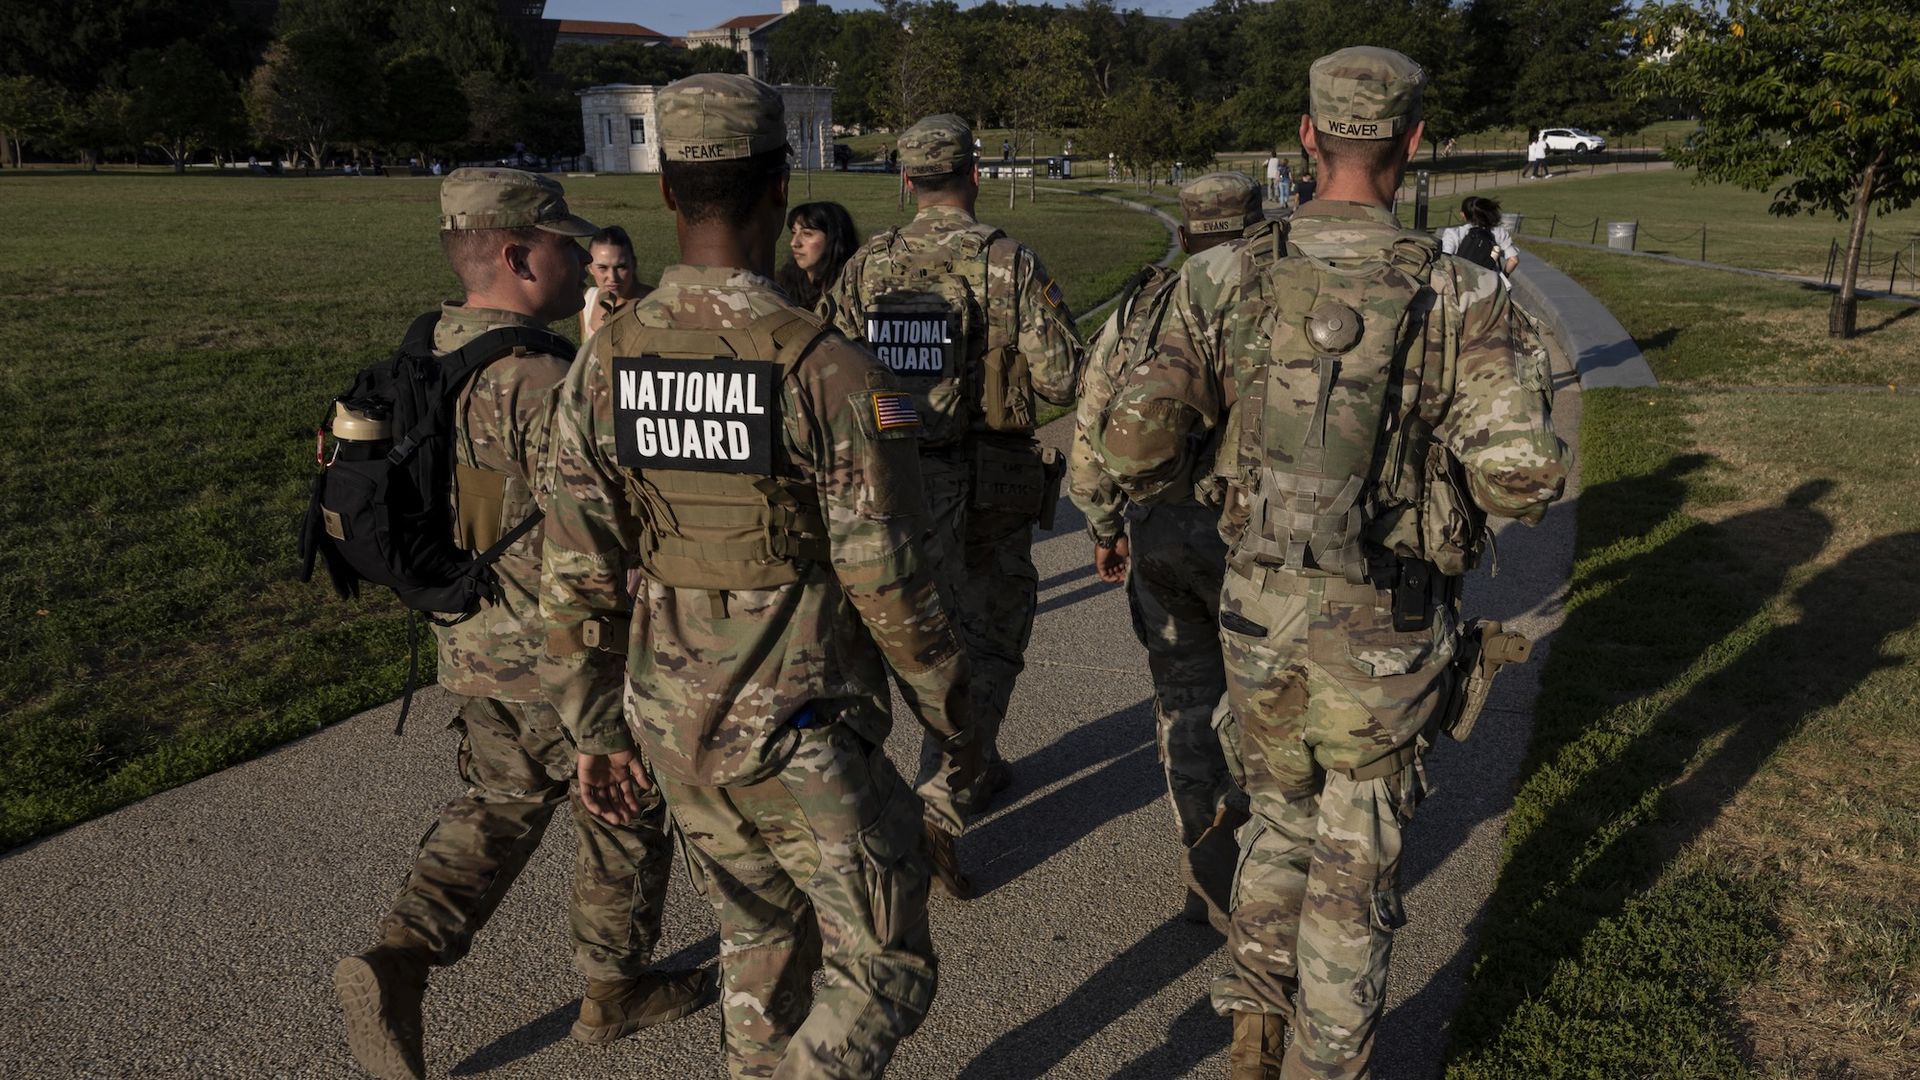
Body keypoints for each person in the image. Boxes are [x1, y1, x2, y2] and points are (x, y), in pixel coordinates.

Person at [1097, 47, 1567, 1079]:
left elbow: (1128, 445)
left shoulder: (1222, 275)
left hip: (1258, 615)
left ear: (1308, 138)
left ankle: (1255, 1035)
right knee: (1354, 867)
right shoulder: (1462, 294)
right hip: (1385, 636)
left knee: (1277, 825)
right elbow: (1525, 480)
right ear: (1412, 141)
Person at [540, 73, 978, 1079]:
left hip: (670, 724)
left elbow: (574, 570)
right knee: (886, 965)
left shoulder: (605, 366)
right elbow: (889, 580)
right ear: (782, 188)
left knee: (760, 950)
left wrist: (596, 728)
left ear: (665, 194)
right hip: (801, 730)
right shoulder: (825, 371)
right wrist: (954, 705)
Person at [331, 168, 713, 1080]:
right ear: (514, 252)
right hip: (562, 647)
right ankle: (614, 988)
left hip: (470, 640)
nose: (583, 257)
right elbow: (595, 536)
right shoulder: (542, 378)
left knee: (500, 804)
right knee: (623, 805)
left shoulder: (426, 349)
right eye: (563, 243)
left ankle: (401, 957)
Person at [828, 112, 1083, 898]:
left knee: (894, 645)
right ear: (972, 175)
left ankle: (921, 789)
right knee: (992, 637)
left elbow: (827, 367)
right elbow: (1063, 377)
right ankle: (941, 801)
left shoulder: (868, 265)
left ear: (906, 182)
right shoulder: (1004, 261)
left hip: (887, 480)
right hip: (983, 483)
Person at [1066, 171, 1270, 927]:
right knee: (1269, 701)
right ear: (1257, 227)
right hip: (1261, 539)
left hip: (1163, 530)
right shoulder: (1287, 297)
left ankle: (1199, 859)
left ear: (1185, 235)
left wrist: (1103, 526)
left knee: (1184, 701)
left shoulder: (1146, 306)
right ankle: (1257, 850)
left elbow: (1093, 426)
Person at [774, 200, 859, 316]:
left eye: (807, 234)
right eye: (794, 233)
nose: (794, 243)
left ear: (833, 239)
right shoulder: (783, 289)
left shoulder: (856, 290)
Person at [581, 225, 650, 339]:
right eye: (602, 267)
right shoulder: (588, 301)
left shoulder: (653, 303)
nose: (612, 278)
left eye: (621, 267)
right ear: (590, 268)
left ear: (634, 264)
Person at [1438, 195, 1521, 278]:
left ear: (1463, 215)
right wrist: (1503, 277)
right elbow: (1514, 260)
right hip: (1490, 282)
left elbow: (1446, 259)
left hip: (1461, 282)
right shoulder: (1499, 232)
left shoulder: (1453, 233)